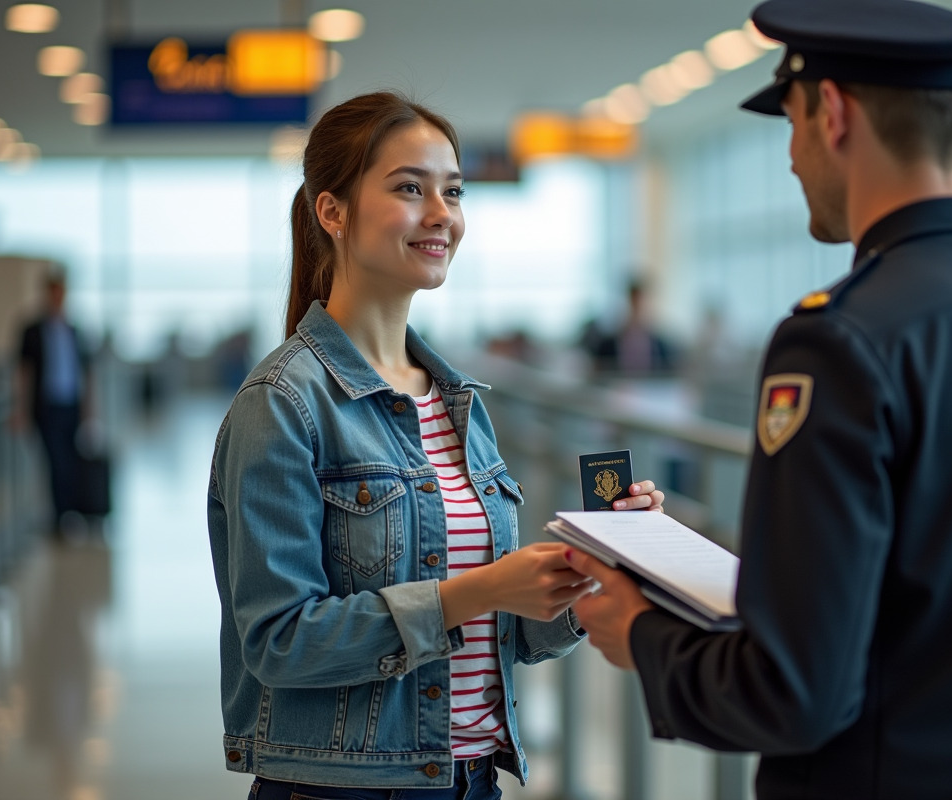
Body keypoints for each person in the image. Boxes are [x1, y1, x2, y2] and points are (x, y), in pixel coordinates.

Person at [568, 2, 952, 799]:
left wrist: (641, 633)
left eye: (791, 124)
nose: (791, 159)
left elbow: (796, 693)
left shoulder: (837, 342)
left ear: (832, 113)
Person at [205, 92, 664, 800]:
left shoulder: (458, 402)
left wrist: (581, 575)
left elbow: (494, 632)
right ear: (332, 212)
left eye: (452, 191)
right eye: (409, 188)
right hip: (348, 787)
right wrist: (476, 590)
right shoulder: (284, 403)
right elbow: (278, 642)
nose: (441, 214)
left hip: (472, 778)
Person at [15, 271, 91, 536]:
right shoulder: (32, 330)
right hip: (46, 407)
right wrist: (20, 409)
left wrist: (89, 410)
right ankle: (61, 519)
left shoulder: (74, 330)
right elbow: (23, 372)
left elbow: (85, 372)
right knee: (56, 462)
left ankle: (69, 514)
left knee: (69, 462)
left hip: (70, 405)